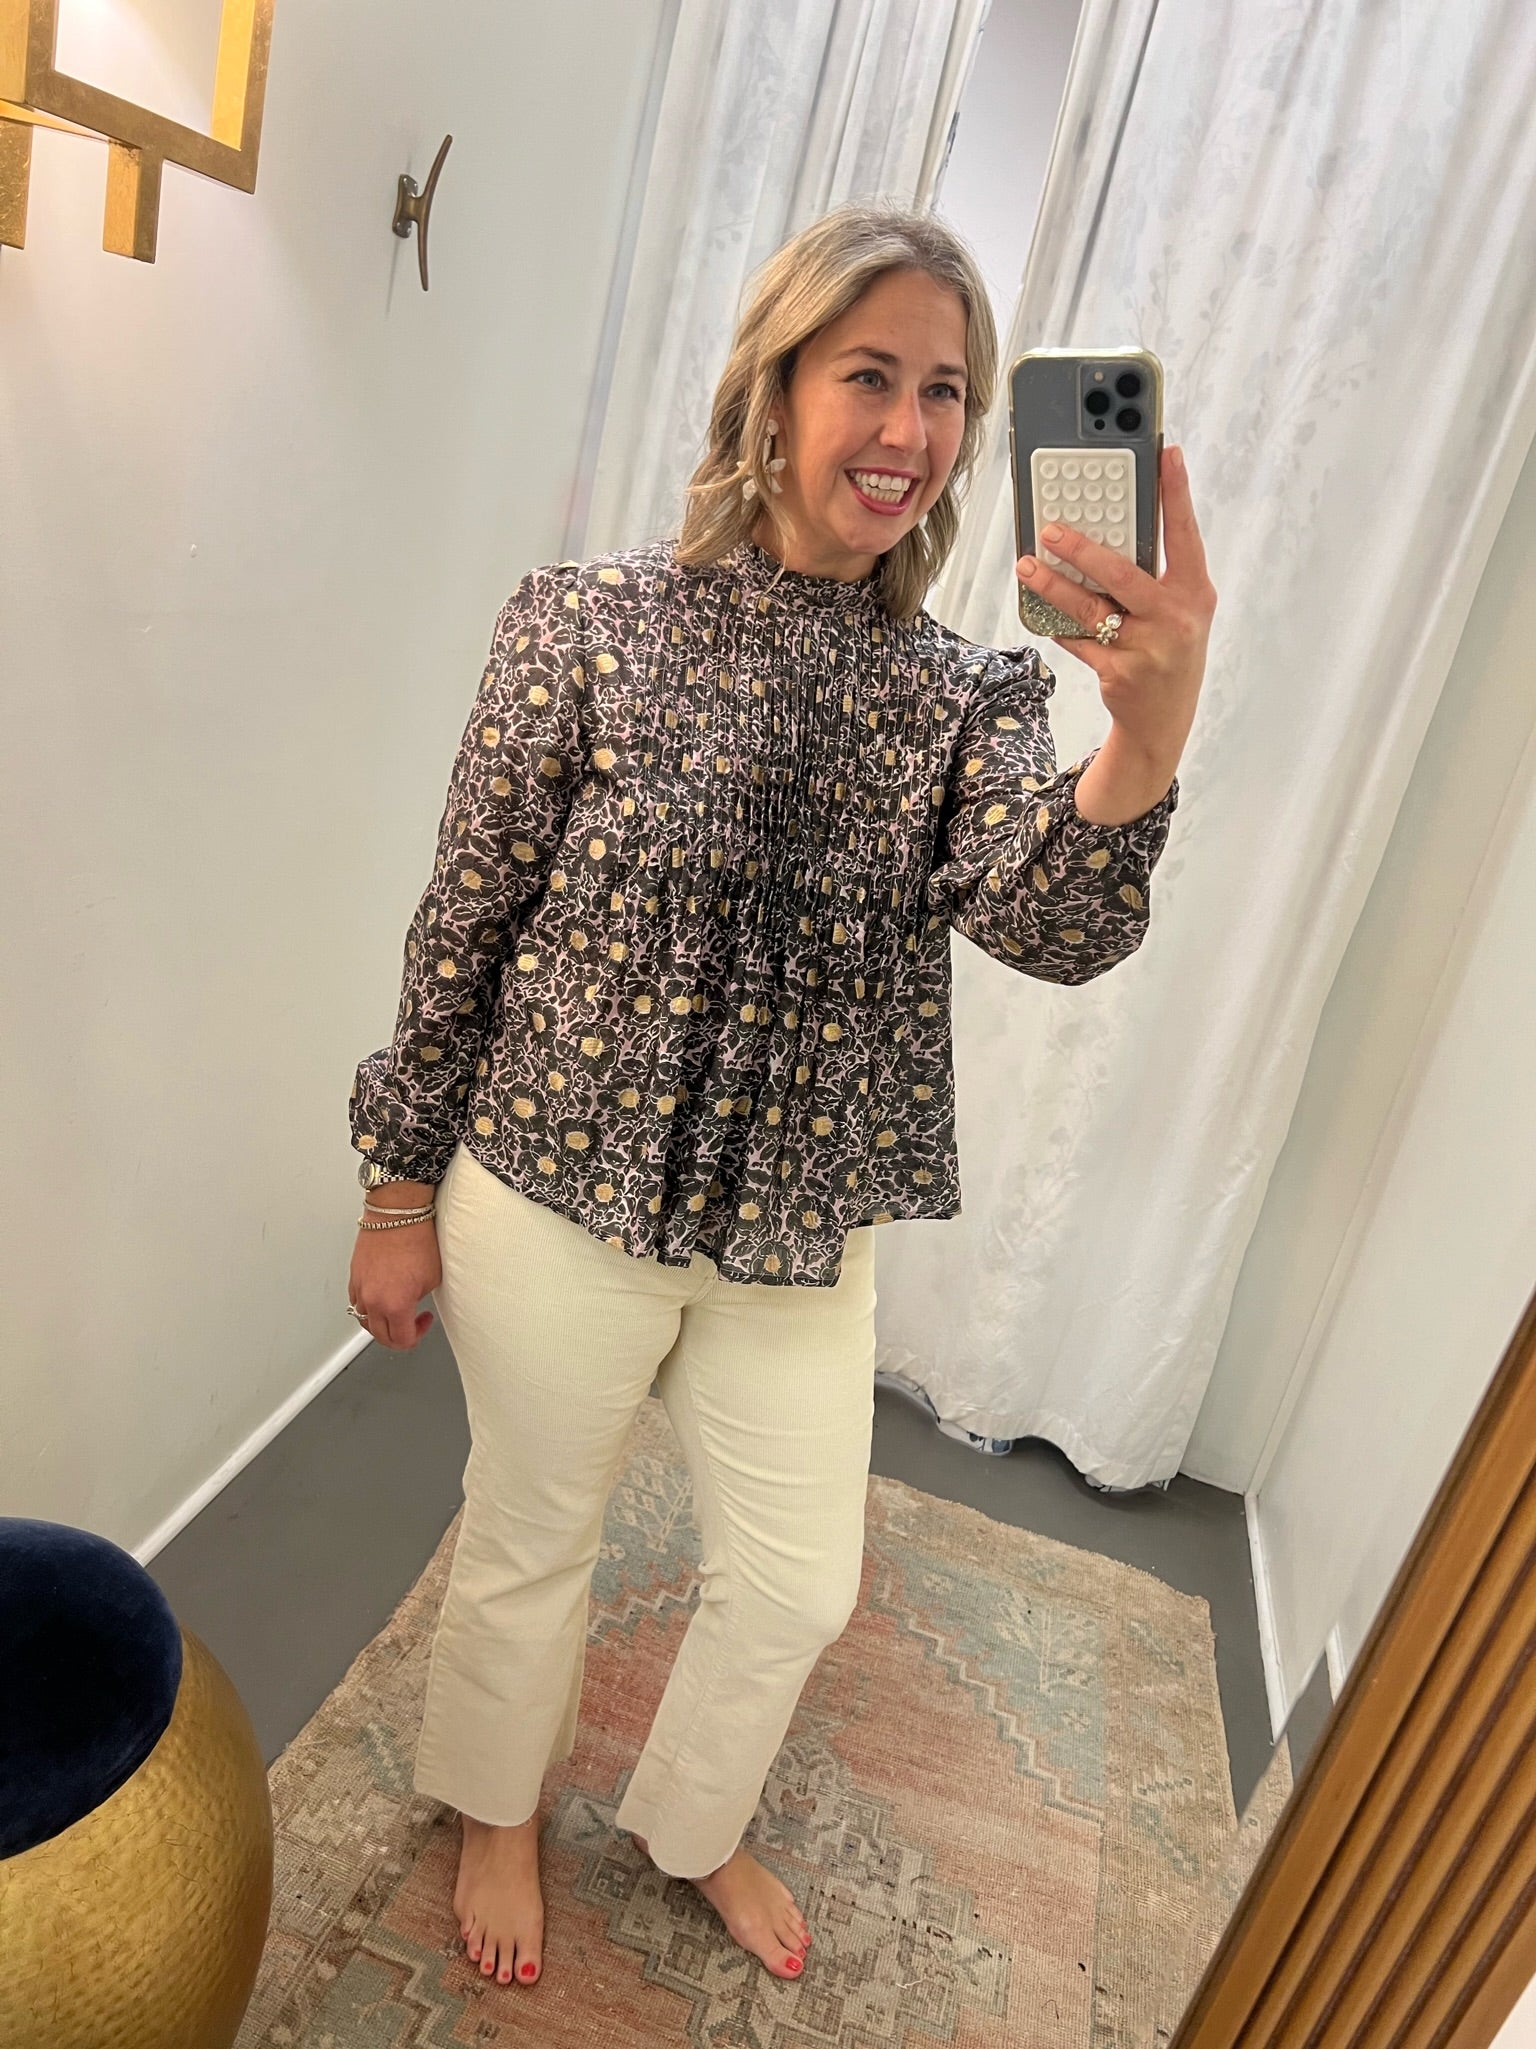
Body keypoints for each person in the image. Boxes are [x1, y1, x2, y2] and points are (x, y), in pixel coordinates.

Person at [344, 200, 1215, 1995]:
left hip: (797, 1230)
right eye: (868, 376)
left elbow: (1050, 924)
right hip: (552, 1187)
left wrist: (1147, 736)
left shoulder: (966, 697)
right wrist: (396, 1185)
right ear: (775, 387)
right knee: (531, 1533)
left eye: (945, 391)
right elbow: (466, 921)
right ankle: (497, 1802)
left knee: (802, 1579)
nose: (909, 430)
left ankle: (687, 1821)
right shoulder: (583, 622)